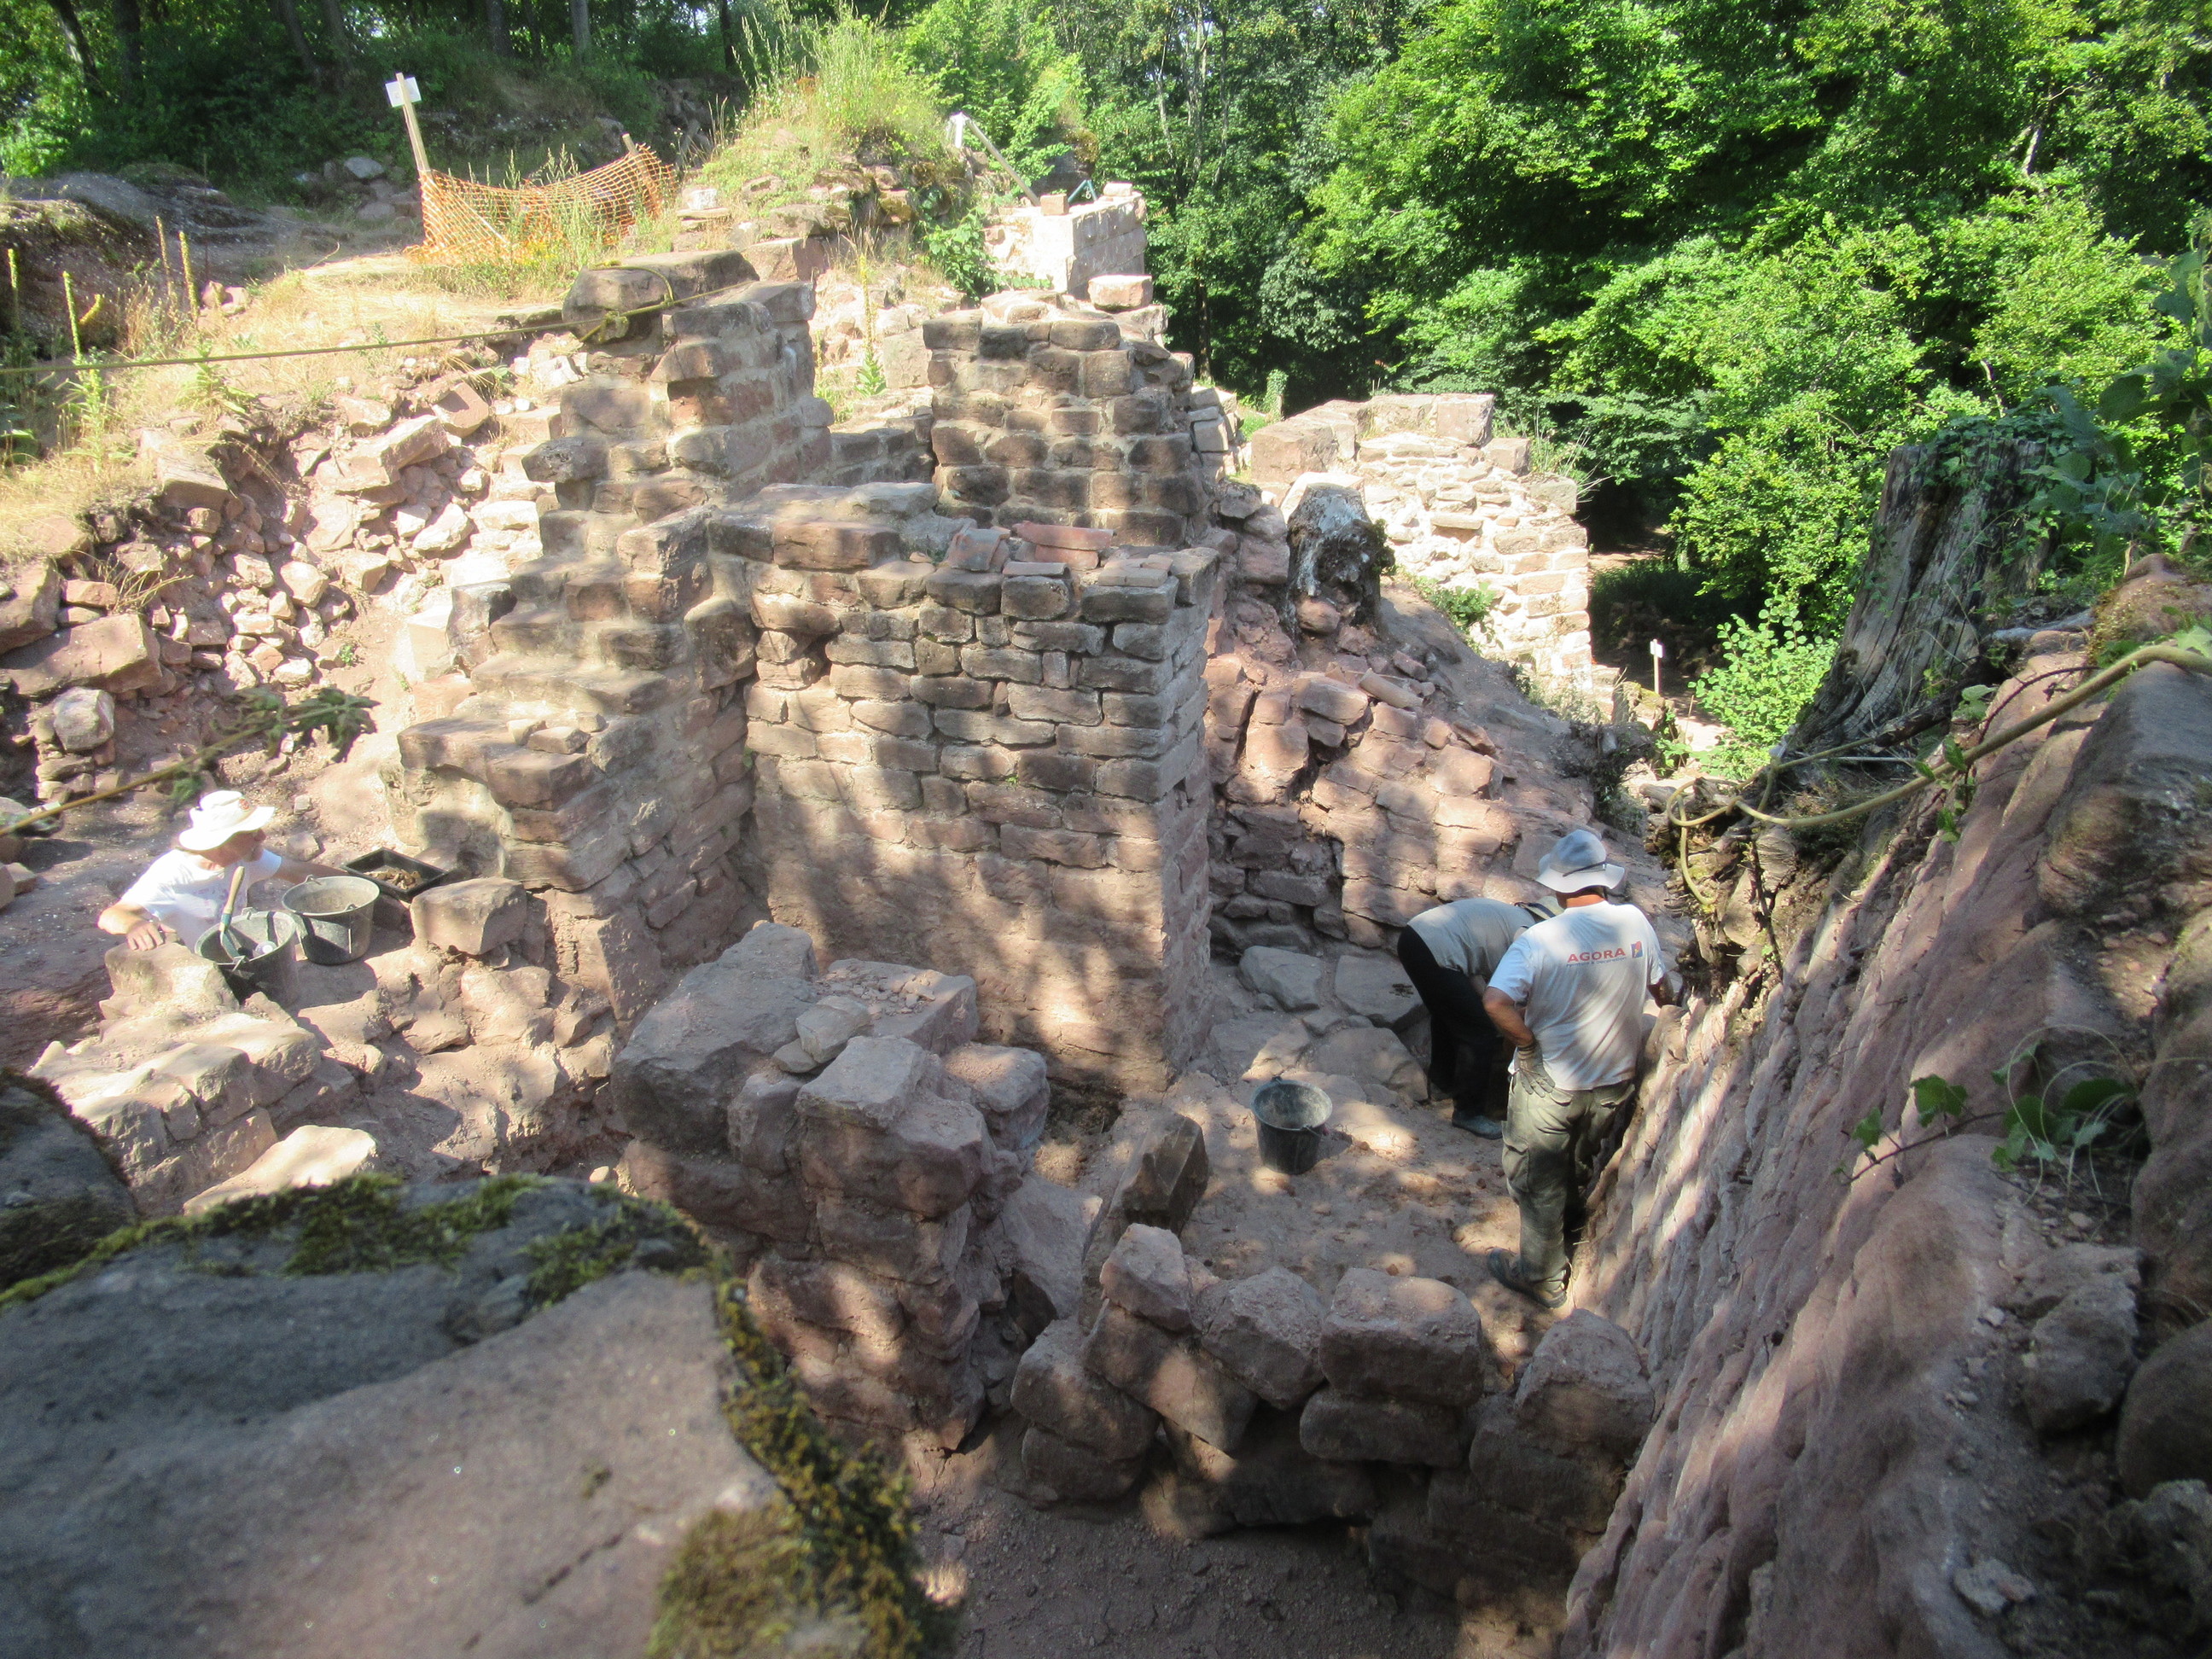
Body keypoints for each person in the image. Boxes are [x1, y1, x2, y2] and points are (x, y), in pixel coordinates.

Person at [1481, 829, 1674, 1308]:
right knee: (1579, 1158)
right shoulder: (1635, 922)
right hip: (1614, 1077)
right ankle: (1566, 1229)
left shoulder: (1540, 939)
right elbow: (1661, 988)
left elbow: (1496, 1002)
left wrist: (1527, 1046)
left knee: (1534, 1175)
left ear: (1558, 885)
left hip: (1552, 1081)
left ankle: (1541, 1277)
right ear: (1603, 878)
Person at [97, 790, 342, 952]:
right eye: (251, 833)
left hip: (241, 953)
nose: (262, 837)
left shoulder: (245, 858)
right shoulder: (172, 874)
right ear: (222, 841)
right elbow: (111, 916)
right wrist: (134, 925)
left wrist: (357, 882)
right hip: (203, 968)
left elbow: (298, 872)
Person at [1397, 892, 1556, 1138]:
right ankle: (1468, 1113)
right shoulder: (1526, 934)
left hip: (1415, 938)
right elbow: (1506, 994)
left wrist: (1488, 1008)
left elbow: (1475, 972)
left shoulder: (1509, 917)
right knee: (1478, 1031)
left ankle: (1443, 1083)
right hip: (1433, 948)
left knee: (1452, 1014)